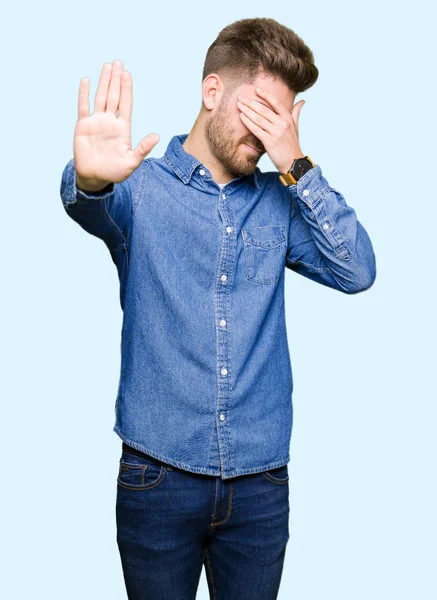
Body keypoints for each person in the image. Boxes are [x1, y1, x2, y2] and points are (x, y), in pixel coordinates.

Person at [59, 17, 376, 600]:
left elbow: (356, 270)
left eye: (278, 121)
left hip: (258, 487)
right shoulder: (141, 188)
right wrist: (89, 177)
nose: (265, 133)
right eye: (257, 112)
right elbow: (89, 201)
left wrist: (297, 163)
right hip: (158, 478)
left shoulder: (280, 202)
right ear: (212, 93)